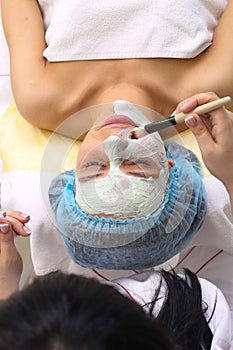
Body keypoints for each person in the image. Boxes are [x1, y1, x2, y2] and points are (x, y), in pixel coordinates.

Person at [0, 0, 232, 134]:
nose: (117, 147)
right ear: (168, 165)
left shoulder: (40, 100)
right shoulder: (209, 94)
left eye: (96, 168)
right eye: (135, 167)